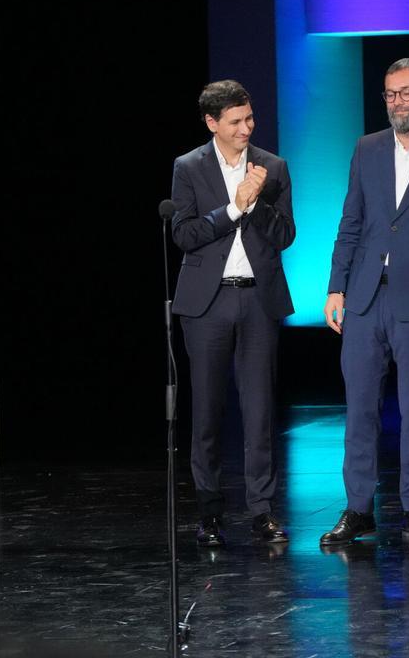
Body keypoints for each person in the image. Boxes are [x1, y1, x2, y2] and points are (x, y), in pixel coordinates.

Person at [171, 80, 295, 547]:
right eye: (236, 121)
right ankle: (209, 513)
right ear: (212, 123)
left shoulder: (273, 167)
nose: (247, 128)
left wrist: (256, 202)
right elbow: (184, 234)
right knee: (207, 411)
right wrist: (232, 207)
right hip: (208, 304)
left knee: (259, 411)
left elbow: (285, 235)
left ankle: (262, 512)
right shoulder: (188, 167)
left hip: (258, 301)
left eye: (250, 118)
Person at [320, 59, 409, 546]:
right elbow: (351, 221)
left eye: (407, 93)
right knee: (360, 406)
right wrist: (336, 287)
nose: (398, 102)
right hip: (366, 296)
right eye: (391, 94)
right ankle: (358, 508)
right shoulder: (367, 148)